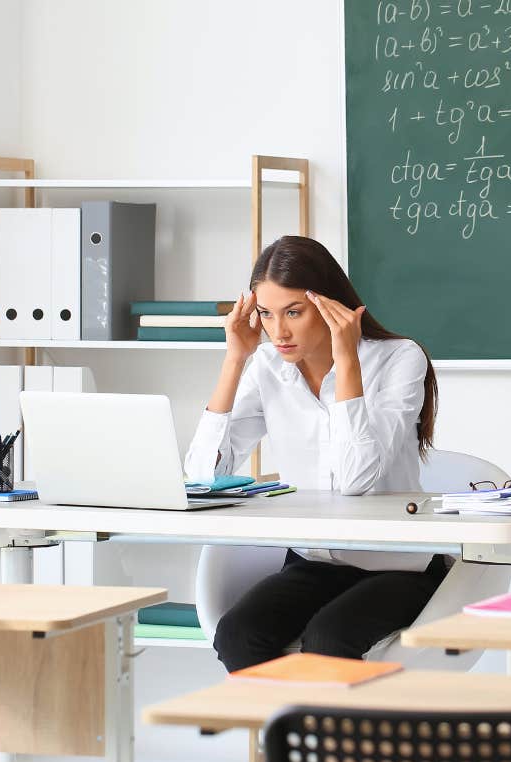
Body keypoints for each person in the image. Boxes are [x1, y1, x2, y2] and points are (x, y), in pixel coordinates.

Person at [185, 235, 444, 672]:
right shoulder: (267, 367)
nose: (278, 331)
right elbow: (201, 478)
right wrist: (234, 360)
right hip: (315, 560)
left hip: (398, 563)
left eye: (293, 312)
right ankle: (289, 736)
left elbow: (356, 481)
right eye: (265, 314)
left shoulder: (400, 358)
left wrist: (347, 362)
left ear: (329, 305)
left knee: (329, 637)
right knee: (238, 635)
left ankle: (333, 739)